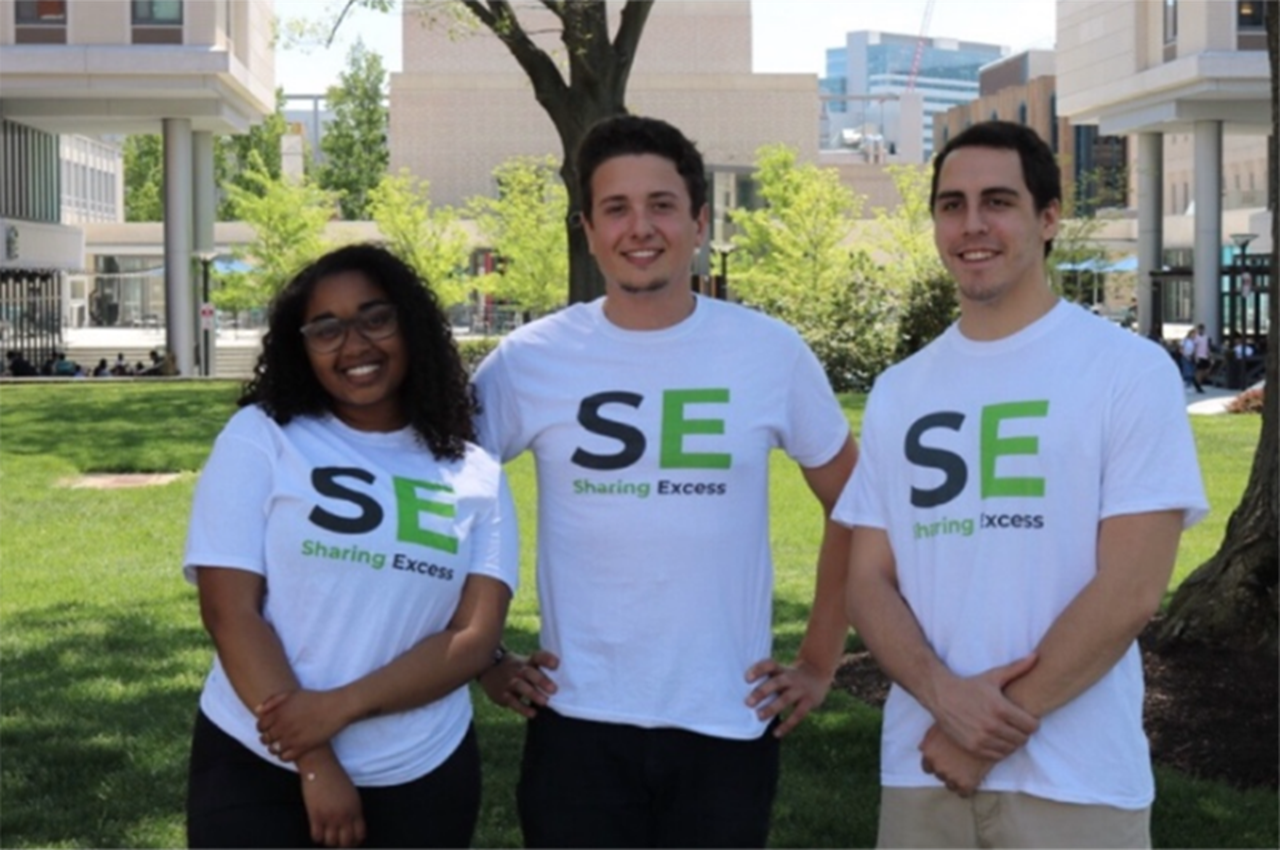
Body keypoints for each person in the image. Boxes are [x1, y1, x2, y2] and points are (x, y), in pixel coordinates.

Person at [471, 114, 858, 849]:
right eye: (616, 208)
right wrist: (483, 658)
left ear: (700, 222)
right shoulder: (529, 361)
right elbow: (439, 496)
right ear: (588, 229)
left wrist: (817, 661)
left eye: (662, 205)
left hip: (726, 721)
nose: (639, 227)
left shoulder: (768, 352)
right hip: (576, 720)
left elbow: (856, 504)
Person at [836, 121, 1207, 849]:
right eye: (952, 205)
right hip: (922, 773)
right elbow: (867, 583)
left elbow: (1132, 589)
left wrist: (984, 732)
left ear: (1048, 218)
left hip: (1076, 782)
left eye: (998, 202)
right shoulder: (899, 391)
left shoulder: (1128, 372)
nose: (972, 224)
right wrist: (944, 699)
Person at [183, 243, 518, 849]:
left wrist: (338, 708)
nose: (355, 345)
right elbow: (229, 612)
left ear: (410, 325)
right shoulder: (263, 437)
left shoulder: (475, 472)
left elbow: (473, 638)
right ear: (302, 346)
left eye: (375, 318)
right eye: (326, 329)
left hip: (421, 772)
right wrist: (314, 758)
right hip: (256, 759)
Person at [1192, 322, 1212, 392]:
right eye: (1200, 329)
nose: (1201, 330)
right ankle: (1198, 384)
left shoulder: (1206, 337)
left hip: (1205, 356)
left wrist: (1209, 354)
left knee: (1206, 370)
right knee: (1199, 371)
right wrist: (1195, 356)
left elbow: (1207, 346)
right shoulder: (1196, 338)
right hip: (1199, 356)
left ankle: (1197, 381)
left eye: (1202, 329)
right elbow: (1195, 347)